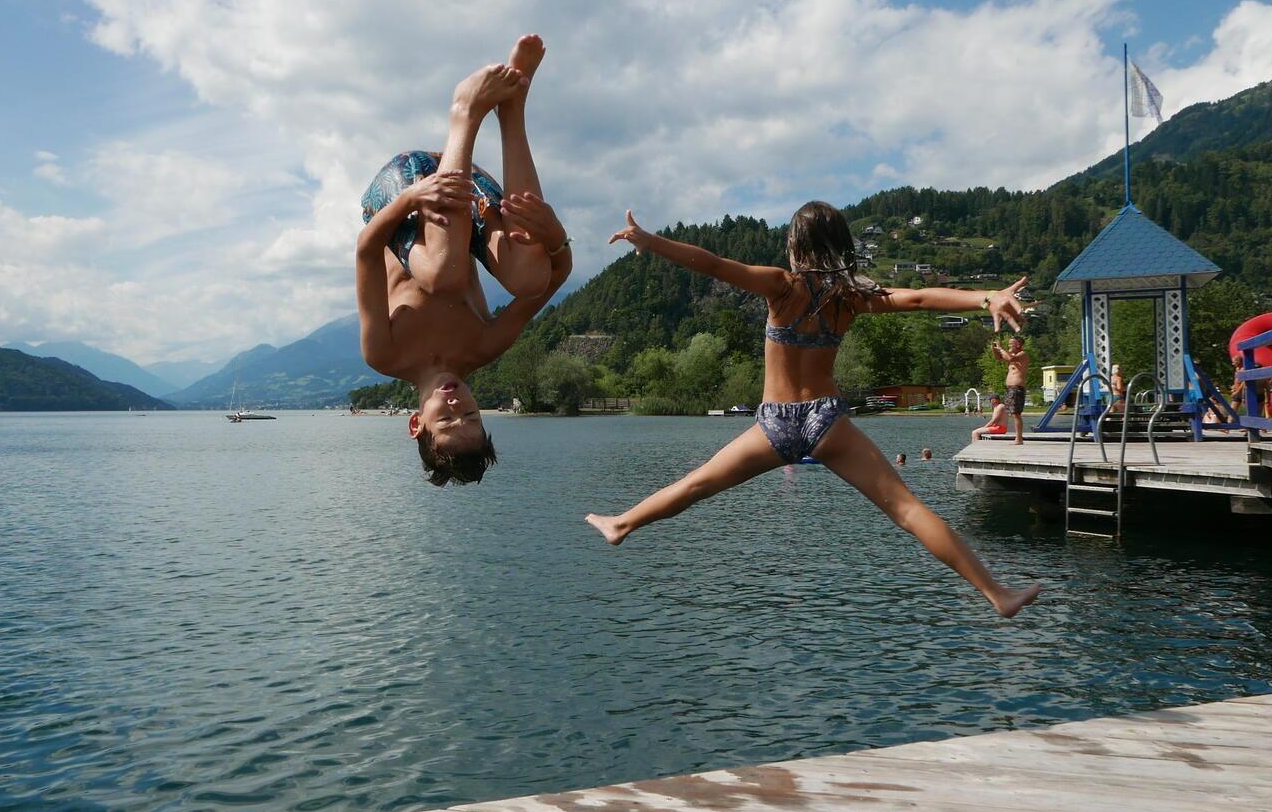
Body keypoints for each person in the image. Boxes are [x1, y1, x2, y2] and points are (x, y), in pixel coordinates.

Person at [584, 201, 1041, 618]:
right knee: (906, 509)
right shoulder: (851, 297)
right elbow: (920, 297)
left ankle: (623, 523)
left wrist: (650, 242)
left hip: (776, 423)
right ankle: (996, 594)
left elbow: (712, 264)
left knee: (695, 485)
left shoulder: (781, 286)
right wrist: (986, 297)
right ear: (840, 245)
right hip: (826, 420)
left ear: (795, 245)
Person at [356, 36, 572, 485]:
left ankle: (465, 112)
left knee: (442, 275)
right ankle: (512, 112)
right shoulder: (483, 347)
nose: (457, 407)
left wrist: (410, 198)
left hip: (401, 190)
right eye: (471, 416)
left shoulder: (384, 354)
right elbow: (556, 278)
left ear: (416, 424)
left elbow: (365, 249)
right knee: (530, 277)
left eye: (447, 421)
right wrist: (554, 236)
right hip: (467, 188)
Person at [991, 337, 1031, 445]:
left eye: (1010, 344)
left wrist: (1000, 347)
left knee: (1016, 414)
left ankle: (1019, 439)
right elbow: (999, 358)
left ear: (1018, 345)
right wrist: (994, 349)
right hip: (1011, 389)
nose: (1009, 346)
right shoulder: (1013, 356)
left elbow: (1010, 359)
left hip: (1017, 388)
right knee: (1012, 413)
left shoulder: (1022, 354)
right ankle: (1018, 438)